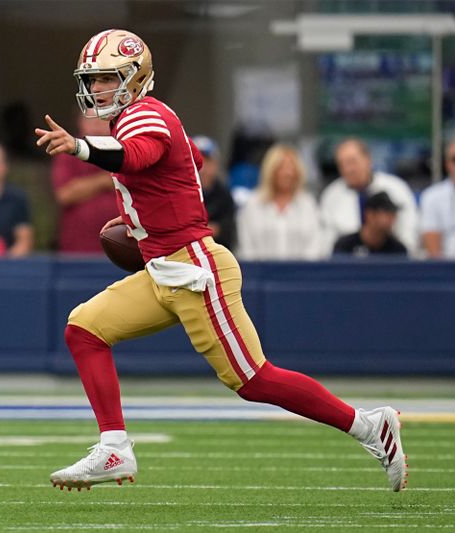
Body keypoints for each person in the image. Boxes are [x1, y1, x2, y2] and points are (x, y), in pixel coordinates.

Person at [34, 29, 406, 493]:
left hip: (193, 270)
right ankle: (114, 446)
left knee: (253, 379)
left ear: (135, 78)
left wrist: (80, 148)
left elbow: (136, 155)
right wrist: (150, 213)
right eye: (94, 79)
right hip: (161, 268)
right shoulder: (140, 117)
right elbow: (185, 158)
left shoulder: (143, 115)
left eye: (108, 78)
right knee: (84, 328)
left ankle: (370, 426)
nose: (97, 89)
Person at [319, 138, 418, 254]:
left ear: (368, 159)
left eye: (352, 162)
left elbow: (409, 231)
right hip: (345, 263)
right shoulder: (331, 196)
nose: (348, 169)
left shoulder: (397, 188)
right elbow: (326, 240)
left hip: (391, 260)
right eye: (342, 164)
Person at [236, 143, 323, 260]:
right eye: (281, 167)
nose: (287, 173)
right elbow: (246, 248)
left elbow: (315, 246)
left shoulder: (308, 204)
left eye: (291, 167)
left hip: (302, 275)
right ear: (270, 170)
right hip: (259, 275)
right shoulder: (253, 204)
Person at [51, 114, 118, 253]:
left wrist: (85, 186)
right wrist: (104, 181)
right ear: (80, 123)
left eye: (102, 119)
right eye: (91, 119)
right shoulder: (68, 153)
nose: (97, 124)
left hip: (121, 248)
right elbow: (64, 194)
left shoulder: (125, 150)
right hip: (78, 250)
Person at [192, 135, 236, 251]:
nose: (203, 168)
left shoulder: (225, 195)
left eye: (208, 161)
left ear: (216, 165)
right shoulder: (180, 194)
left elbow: (228, 230)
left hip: (219, 254)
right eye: (198, 161)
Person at [333, 192, 408, 257]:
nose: (392, 218)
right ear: (370, 215)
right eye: (387, 213)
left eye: (394, 214)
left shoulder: (397, 250)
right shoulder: (345, 246)